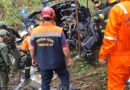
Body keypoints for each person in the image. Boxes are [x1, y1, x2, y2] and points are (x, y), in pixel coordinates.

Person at [30, 7, 73, 90]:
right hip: (58, 62)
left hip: (43, 63)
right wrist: (69, 59)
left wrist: (33, 59)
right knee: (64, 76)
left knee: (45, 82)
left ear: (42, 17)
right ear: (54, 17)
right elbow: (65, 49)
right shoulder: (59, 30)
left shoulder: (34, 31)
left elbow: (31, 49)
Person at [99, 0, 130, 90]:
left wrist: (103, 55)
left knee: (116, 85)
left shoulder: (118, 9)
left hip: (120, 57)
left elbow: (110, 37)